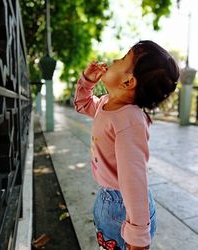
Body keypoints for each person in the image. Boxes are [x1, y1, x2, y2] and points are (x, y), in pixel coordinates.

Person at [74, 40, 179, 250]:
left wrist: (138, 235)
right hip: (109, 199)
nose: (114, 60)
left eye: (122, 59)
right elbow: (82, 104)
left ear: (128, 82)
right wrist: (86, 82)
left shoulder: (129, 121)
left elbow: (134, 179)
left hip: (122, 207)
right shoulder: (106, 103)